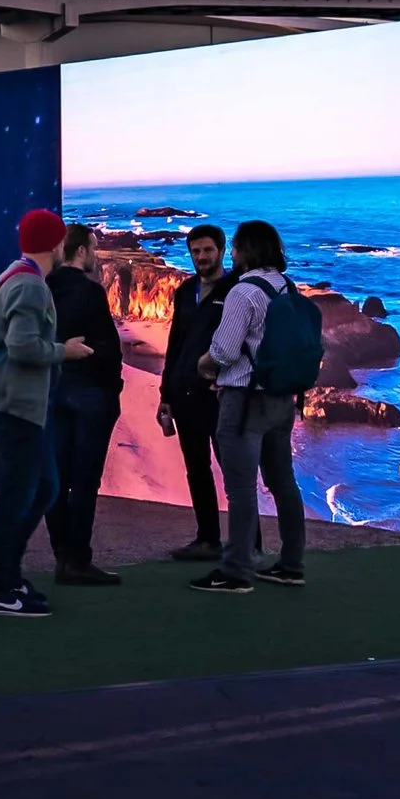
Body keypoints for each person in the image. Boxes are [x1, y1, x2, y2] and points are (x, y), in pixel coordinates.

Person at [0, 208, 93, 618]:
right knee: (17, 495)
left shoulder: (15, 274)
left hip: (17, 405)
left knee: (43, 488)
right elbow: (22, 346)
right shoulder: (30, 285)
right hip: (18, 407)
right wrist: (65, 351)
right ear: (55, 244)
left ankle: (8, 575)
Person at [194, 219, 306, 593]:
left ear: (244, 251)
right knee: (283, 482)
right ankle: (291, 564)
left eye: (235, 247)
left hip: (244, 400)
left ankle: (236, 570)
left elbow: (225, 350)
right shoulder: (286, 286)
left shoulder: (243, 292)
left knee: (241, 488)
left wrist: (203, 365)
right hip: (281, 398)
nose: (233, 253)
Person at [43, 223, 124, 587]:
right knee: (85, 480)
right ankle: (77, 559)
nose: (95, 254)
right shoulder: (90, 292)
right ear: (80, 251)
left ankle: (62, 554)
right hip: (90, 395)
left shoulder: (44, 289)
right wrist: (113, 388)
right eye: (93, 248)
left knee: (57, 479)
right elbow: (108, 348)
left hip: (54, 392)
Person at [158, 223, 237, 561]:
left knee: (234, 472)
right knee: (197, 470)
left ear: (222, 251)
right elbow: (175, 345)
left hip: (222, 397)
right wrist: (165, 394)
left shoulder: (236, 290)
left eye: (207, 250)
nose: (201, 257)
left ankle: (249, 543)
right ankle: (207, 540)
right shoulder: (185, 291)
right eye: (195, 251)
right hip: (185, 395)